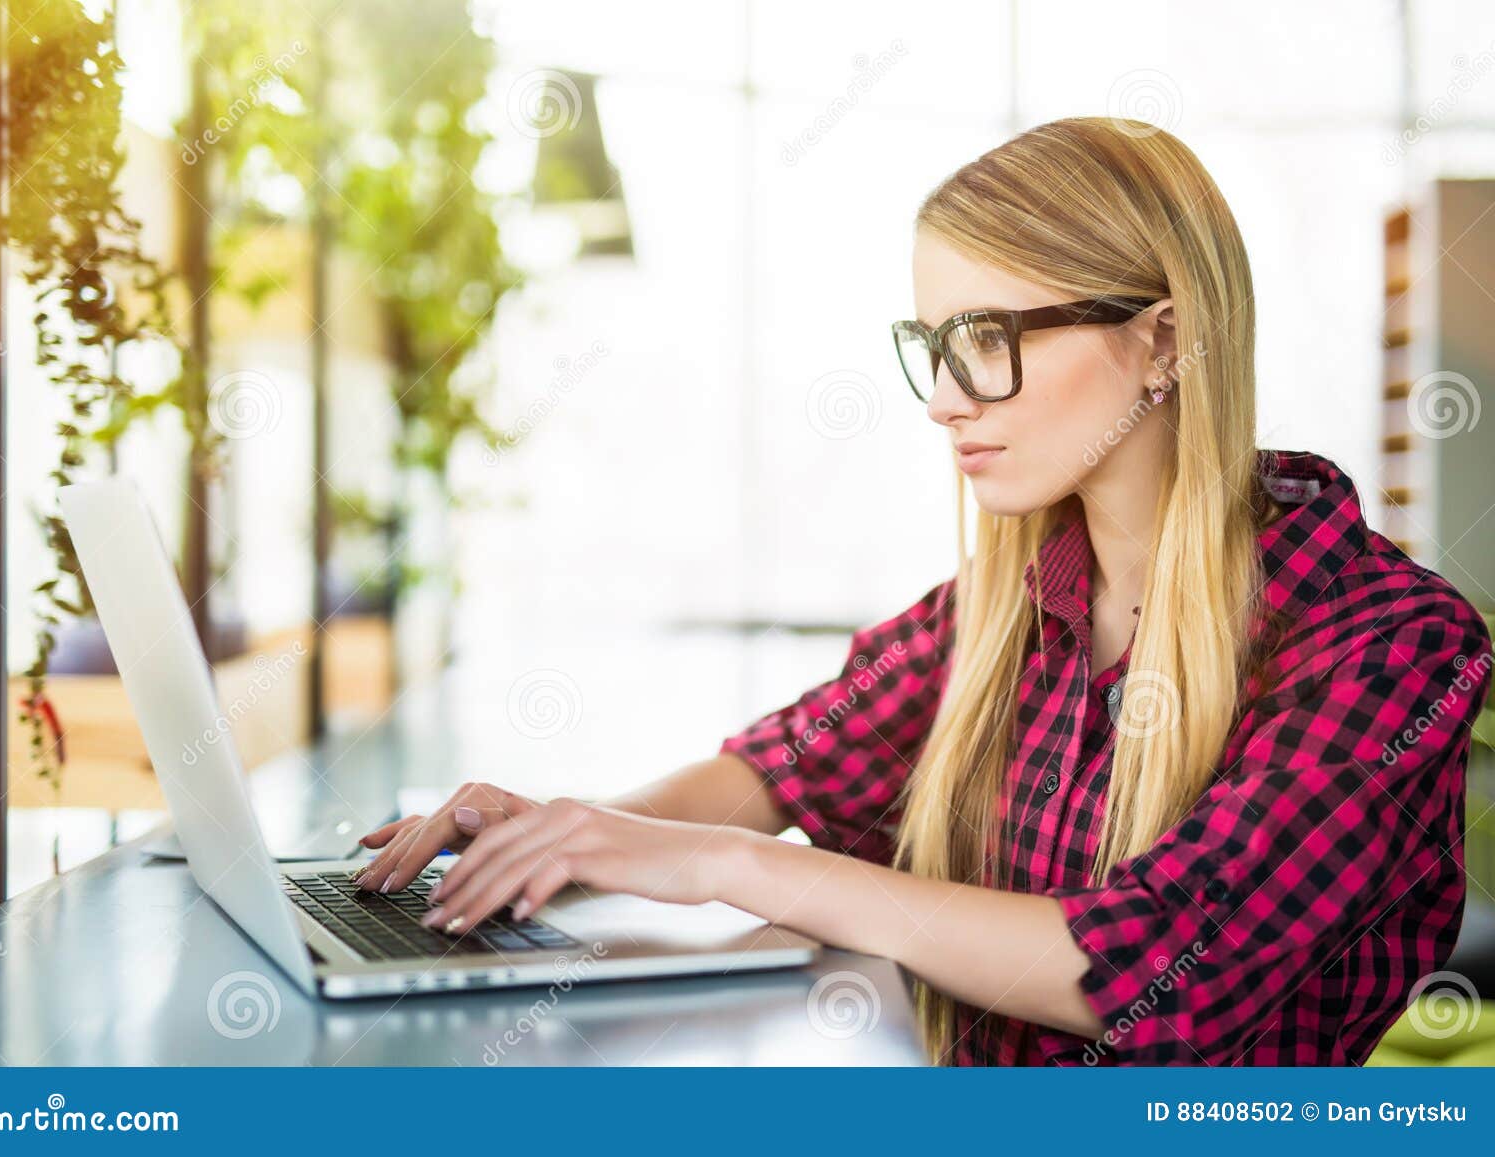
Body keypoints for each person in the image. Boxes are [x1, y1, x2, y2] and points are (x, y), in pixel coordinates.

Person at [353, 117, 1493, 1065]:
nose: (943, 397)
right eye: (932, 342)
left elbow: (1144, 970)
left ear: (1164, 343)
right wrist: (563, 835)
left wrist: (722, 868)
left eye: (987, 338)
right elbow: (780, 765)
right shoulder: (1007, 608)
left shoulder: (1390, 646)